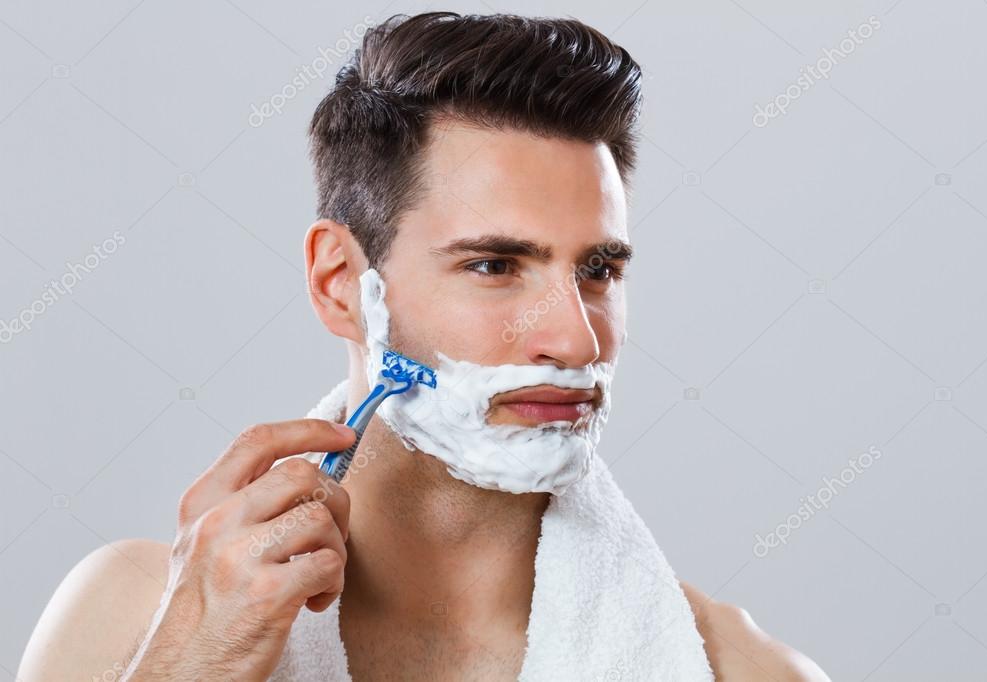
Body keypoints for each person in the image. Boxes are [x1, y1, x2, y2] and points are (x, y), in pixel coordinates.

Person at [18, 12, 829, 681]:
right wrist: (194, 663)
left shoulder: (741, 671)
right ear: (340, 283)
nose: (574, 338)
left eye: (598, 270)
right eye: (494, 266)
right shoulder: (130, 618)